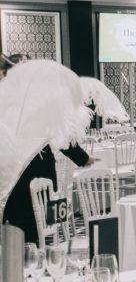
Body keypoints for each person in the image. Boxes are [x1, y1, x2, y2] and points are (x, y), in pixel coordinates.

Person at [0, 54, 93, 246]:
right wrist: (83, 158)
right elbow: (62, 134)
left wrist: (83, 158)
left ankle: (25, 257)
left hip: (22, 177)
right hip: (41, 174)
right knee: (31, 229)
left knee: (21, 228)